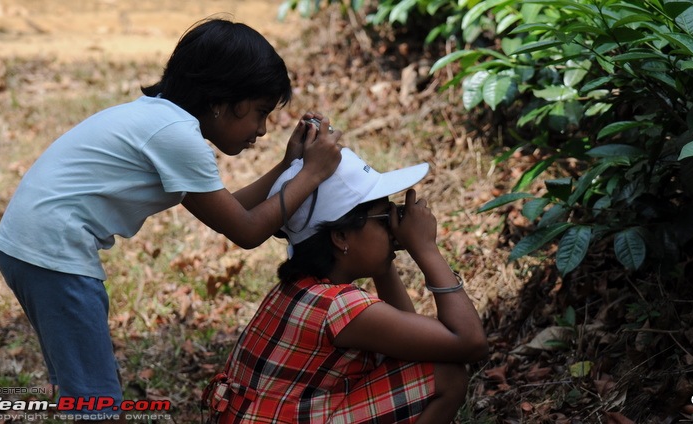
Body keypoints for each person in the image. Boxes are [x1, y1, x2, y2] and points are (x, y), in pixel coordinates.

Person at [0, 18, 342, 422]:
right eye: (259, 112)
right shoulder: (176, 136)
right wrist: (312, 174)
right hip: (52, 253)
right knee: (99, 405)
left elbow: (232, 211)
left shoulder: (161, 121)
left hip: (31, 246)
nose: (261, 130)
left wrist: (289, 165)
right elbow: (246, 231)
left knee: (85, 392)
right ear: (219, 99)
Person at [202, 147, 488, 423]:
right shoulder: (340, 307)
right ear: (340, 236)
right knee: (446, 374)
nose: (394, 227)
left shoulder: (300, 289)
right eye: (382, 219)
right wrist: (426, 249)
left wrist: (383, 263)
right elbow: (469, 343)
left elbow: (411, 346)